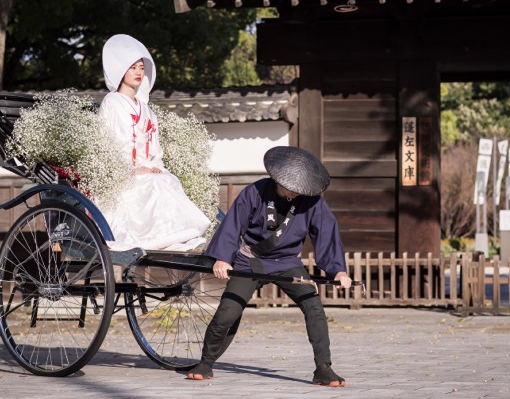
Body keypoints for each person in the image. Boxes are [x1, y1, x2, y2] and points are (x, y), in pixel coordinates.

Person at [187, 146, 352, 387]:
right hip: (250, 259)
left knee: (314, 307)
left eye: (299, 189)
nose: (295, 192)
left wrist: (338, 270)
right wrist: (222, 258)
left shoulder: (312, 201)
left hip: (287, 262)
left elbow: (326, 235)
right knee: (228, 312)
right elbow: (234, 225)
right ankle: (206, 362)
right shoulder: (255, 192)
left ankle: (323, 368)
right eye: (291, 187)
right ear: (278, 179)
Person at [98, 34, 210, 251]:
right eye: (133, 67)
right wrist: (131, 168)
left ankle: (177, 237)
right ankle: (153, 239)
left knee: (168, 180)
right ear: (121, 70)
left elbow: (154, 147)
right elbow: (111, 143)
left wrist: (155, 166)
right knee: (152, 184)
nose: (139, 72)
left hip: (148, 169)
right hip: (123, 173)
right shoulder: (112, 103)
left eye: (141, 67)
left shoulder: (146, 109)